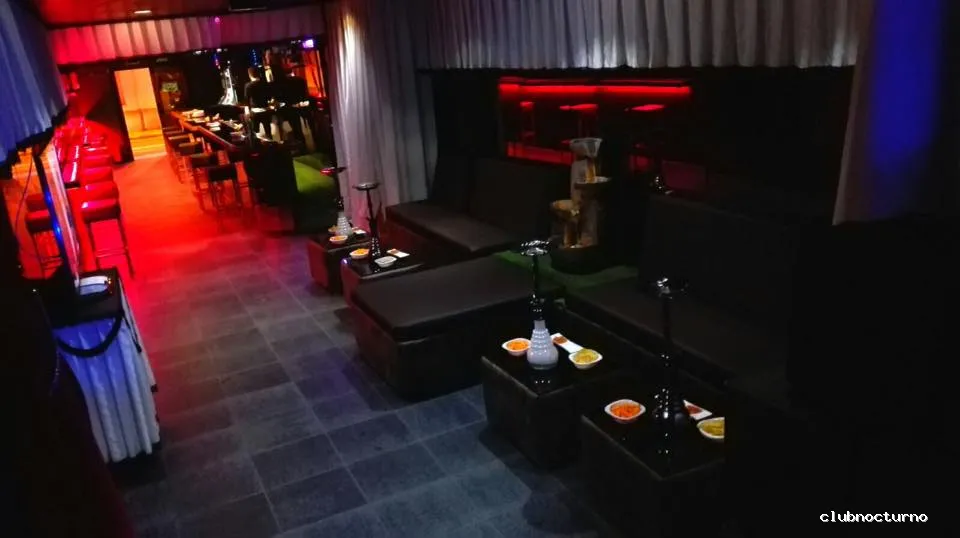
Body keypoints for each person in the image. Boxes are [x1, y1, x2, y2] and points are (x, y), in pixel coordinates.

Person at [243, 67, 271, 136]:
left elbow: (246, 100)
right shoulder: (265, 84)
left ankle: (258, 142)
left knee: (255, 132)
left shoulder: (248, 85)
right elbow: (269, 98)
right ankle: (271, 141)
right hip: (265, 110)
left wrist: (247, 113)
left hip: (255, 112)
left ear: (250, 75)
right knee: (268, 131)